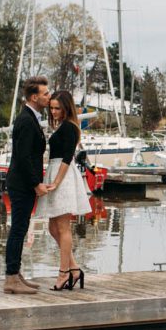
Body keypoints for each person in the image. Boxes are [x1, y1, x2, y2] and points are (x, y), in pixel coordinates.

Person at [40, 91, 93, 290]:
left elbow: (67, 158)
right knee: (53, 228)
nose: (53, 112)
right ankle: (74, 269)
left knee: (62, 228)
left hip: (62, 176)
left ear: (66, 108)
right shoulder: (62, 126)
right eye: (51, 108)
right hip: (55, 173)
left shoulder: (70, 127)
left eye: (57, 108)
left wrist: (56, 182)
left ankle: (63, 274)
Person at [4, 76, 50, 294]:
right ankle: (11, 278)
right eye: (45, 94)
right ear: (34, 97)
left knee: (20, 229)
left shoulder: (32, 118)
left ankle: (16, 273)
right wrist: (36, 184)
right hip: (22, 184)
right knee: (18, 229)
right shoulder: (25, 120)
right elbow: (23, 157)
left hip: (23, 183)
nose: (49, 97)